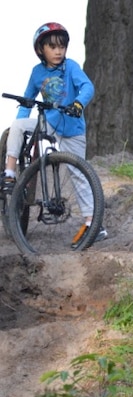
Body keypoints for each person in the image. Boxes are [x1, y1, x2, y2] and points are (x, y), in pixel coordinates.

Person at [2, 22, 105, 248]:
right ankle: (9, 172)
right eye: (52, 47)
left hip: (73, 129)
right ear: (41, 50)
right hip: (49, 123)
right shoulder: (37, 73)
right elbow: (27, 100)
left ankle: (92, 223)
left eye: (62, 47)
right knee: (18, 125)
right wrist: (20, 122)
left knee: (78, 172)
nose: (58, 51)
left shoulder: (71, 67)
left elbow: (87, 87)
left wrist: (79, 103)